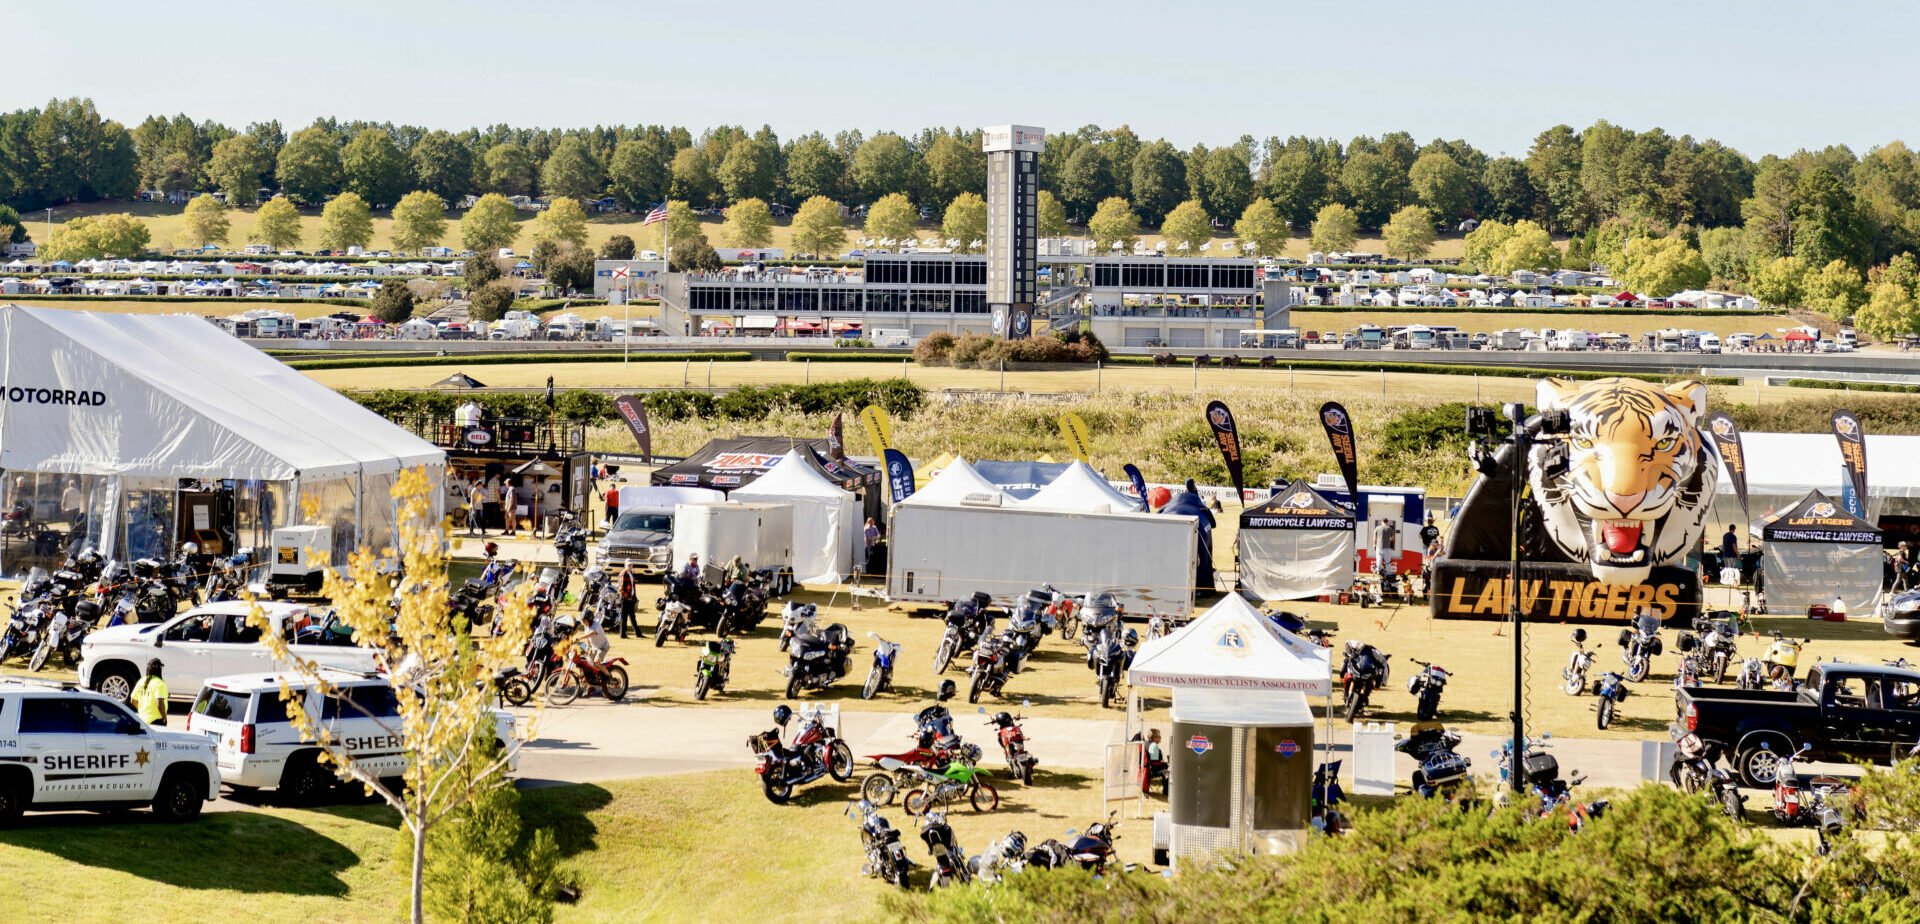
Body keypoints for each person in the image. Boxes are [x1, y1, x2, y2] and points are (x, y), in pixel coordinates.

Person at [132, 658, 169, 726]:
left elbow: (133, 700)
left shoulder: (141, 681)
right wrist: (164, 717)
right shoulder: (160, 683)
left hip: (142, 720)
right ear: (159, 669)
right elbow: (160, 703)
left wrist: (142, 709)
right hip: (156, 720)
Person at [617, 561, 641, 638]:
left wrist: (634, 597)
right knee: (624, 617)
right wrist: (627, 597)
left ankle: (638, 633)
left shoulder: (631, 574)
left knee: (632, 616)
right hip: (625, 598)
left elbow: (632, 588)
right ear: (625, 565)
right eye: (628, 565)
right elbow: (621, 588)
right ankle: (622, 634)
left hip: (630, 598)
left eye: (631, 565)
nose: (630, 566)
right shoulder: (624, 574)